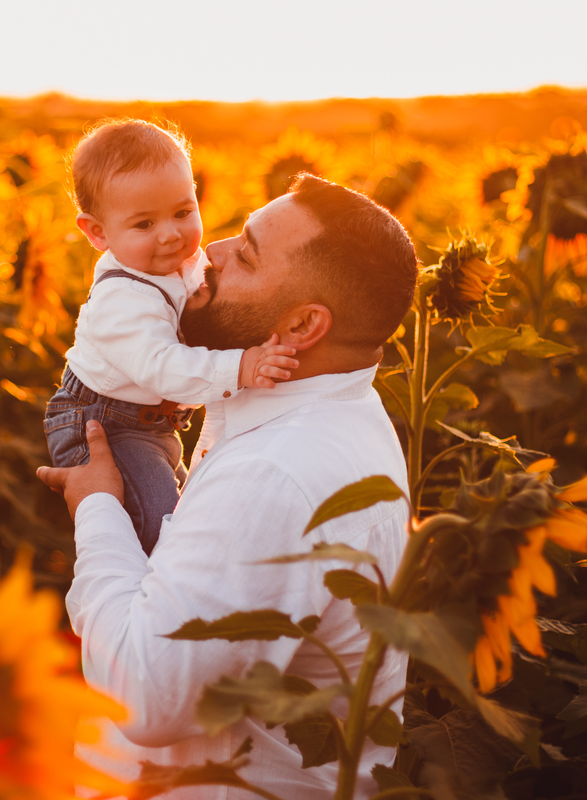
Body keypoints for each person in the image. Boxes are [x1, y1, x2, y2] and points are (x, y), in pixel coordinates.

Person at [38, 173, 419, 799]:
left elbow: (148, 695)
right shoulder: (335, 416)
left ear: (301, 326)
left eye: (243, 253)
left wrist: (97, 505)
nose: (204, 251)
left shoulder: (275, 475)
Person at [47, 119, 297, 556]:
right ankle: (152, 607)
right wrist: (240, 366)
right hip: (103, 424)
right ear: (97, 232)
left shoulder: (178, 262)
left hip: (152, 424)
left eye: (183, 212)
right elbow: (163, 366)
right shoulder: (122, 299)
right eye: (143, 224)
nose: (170, 234)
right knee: (161, 530)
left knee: (189, 512)